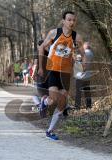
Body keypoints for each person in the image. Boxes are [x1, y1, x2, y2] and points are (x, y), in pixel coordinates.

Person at [38, 11, 86, 140]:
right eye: (69, 20)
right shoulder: (55, 33)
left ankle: (50, 131)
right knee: (53, 100)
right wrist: (40, 67)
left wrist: (83, 65)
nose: (71, 22)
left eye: (73, 20)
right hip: (52, 70)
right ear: (63, 21)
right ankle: (44, 101)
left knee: (62, 103)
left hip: (65, 73)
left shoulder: (77, 37)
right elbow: (41, 47)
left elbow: (83, 54)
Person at [74, 42, 94, 109]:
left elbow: (78, 60)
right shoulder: (91, 54)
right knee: (87, 91)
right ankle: (89, 106)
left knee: (78, 92)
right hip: (88, 76)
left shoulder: (84, 53)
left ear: (85, 47)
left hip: (80, 76)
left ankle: (77, 107)